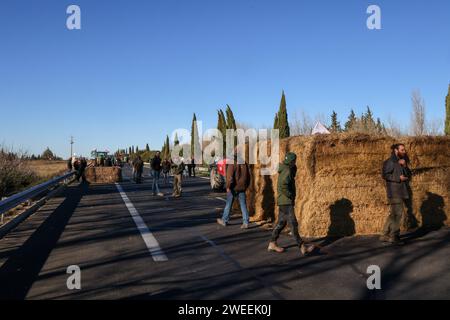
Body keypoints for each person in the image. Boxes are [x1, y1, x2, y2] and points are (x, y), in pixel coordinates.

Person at [268, 152, 313, 256]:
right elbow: (284, 184)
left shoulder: (284, 168)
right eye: (294, 161)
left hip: (282, 201)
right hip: (286, 201)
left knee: (282, 223)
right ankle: (302, 246)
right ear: (292, 161)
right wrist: (290, 195)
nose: (295, 163)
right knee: (293, 223)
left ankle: (272, 243)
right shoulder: (287, 170)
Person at [380, 143, 412, 245]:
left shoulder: (401, 162)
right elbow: (385, 175)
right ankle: (394, 236)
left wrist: (405, 166)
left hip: (400, 190)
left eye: (404, 150)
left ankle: (384, 235)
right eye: (402, 150)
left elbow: (408, 175)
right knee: (398, 214)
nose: (404, 151)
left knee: (394, 214)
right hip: (394, 191)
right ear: (395, 150)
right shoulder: (390, 162)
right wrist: (398, 178)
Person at [216, 154, 251, 229]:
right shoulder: (245, 164)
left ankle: (224, 220)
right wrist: (246, 186)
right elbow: (249, 176)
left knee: (229, 204)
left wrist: (228, 186)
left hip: (233, 187)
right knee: (243, 205)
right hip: (242, 187)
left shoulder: (232, 164)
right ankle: (246, 222)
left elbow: (230, 177)